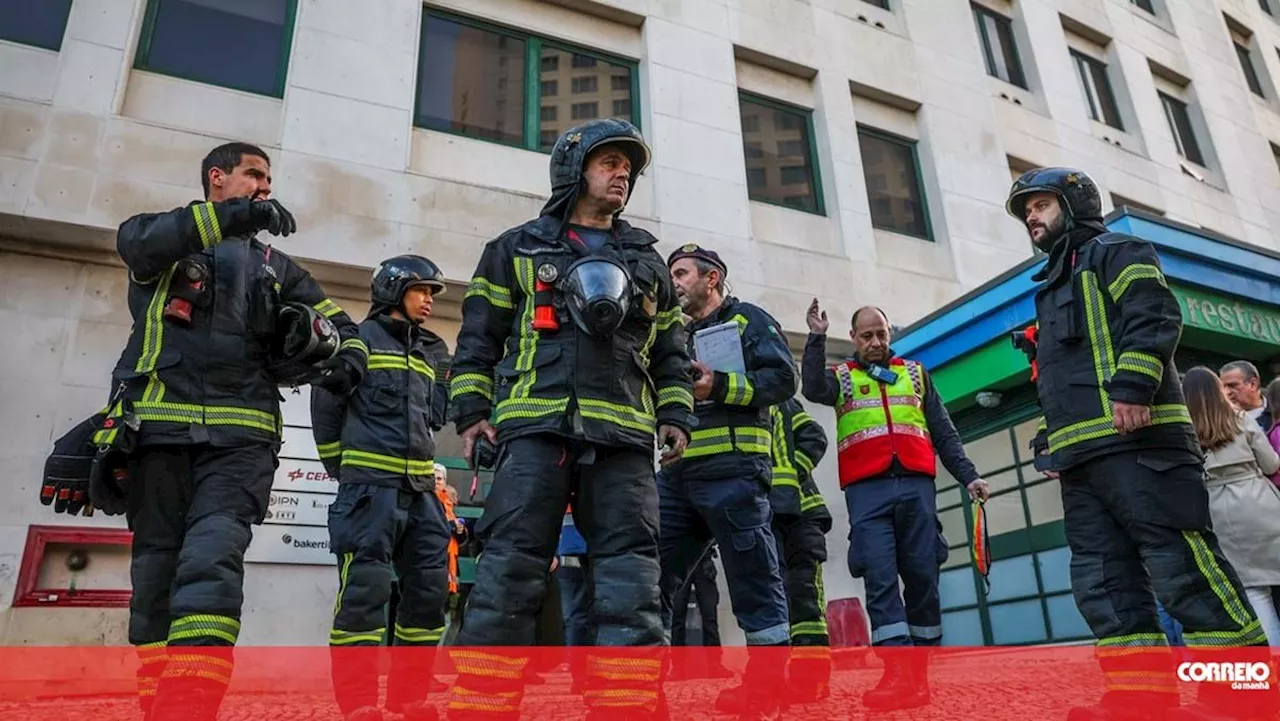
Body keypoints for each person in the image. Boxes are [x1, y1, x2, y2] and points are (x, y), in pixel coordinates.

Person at [103, 142, 366, 720]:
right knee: (154, 574)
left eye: (270, 178)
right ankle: (158, 703)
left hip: (242, 442)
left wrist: (342, 358)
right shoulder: (162, 241)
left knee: (212, 561)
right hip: (157, 435)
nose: (265, 186)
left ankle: (190, 704)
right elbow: (138, 242)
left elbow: (344, 327)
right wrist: (231, 217)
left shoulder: (276, 267)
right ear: (217, 178)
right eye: (254, 175)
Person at [446, 118, 693, 719]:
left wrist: (676, 415)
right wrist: (473, 411)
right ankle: (483, 703)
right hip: (536, 428)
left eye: (628, 167)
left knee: (631, 572)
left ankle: (627, 704)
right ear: (573, 168)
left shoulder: (648, 263)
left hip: (624, 439)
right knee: (510, 565)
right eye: (609, 161)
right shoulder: (517, 248)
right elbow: (479, 335)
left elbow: (670, 352)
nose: (622, 174)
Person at [1006, 167, 1273, 721]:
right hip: (1083, 461)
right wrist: (1050, 444)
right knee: (1104, 586)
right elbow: (1057, 379)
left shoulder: (1118, 250)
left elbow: (1154, 316)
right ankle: (1139, 699)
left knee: (1186, 574)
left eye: (1040, 204)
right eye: (1025, 210)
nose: (1031, 216)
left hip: (1142, 445)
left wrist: (1132, 387)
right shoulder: (1052, 288)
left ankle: (1242, 697)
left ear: (1074, 203)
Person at [801, 303, 987, 711]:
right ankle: (898, 672)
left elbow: (944, 432)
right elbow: (813, 389)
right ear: (853, 338)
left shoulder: (916, 374)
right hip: (868, 494)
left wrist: (969, 476)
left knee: (923, 578)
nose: (875, 342)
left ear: (889, 333)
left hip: (917, 488)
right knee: (881, 580)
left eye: (881, 333)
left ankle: (917, 675)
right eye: (866, 336)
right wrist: (815, 337)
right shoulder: (842, 378)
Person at [311, 254, 453, 721]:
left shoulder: (431, 353)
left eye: (432, 293)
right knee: (363, 596)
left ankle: (409, 698)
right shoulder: (357, 342)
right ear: (393, 290)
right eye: (422, 291)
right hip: (369, 492)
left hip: (421, 494)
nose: (429, 300)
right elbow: (326, 414)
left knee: (430, 594)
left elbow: (431, 421)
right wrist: (348, 474)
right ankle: (358, 705)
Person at [661, 244, 796, 720]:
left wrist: (717, 385)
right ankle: (638, 688)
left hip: (734, 474)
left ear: (711, 277)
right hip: (676, 476)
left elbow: (782, 380)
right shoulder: (669, 332)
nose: (672, 281)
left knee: (753, 581)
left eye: (681, 272)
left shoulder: (748, 320)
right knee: (649, 577)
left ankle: (766, 691)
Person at [1182, 367, 1280, 646]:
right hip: (1259, 502)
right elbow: (1271, 463)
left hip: (1218, 510)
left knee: (1256, 594)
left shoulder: (1185, 430)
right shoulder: (1240, 419)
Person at [767, 398, 833, 701]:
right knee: (772, 596)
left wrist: (790, 474)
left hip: (803, 514)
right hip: (766, 518)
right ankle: (776, 680)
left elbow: (815, 437)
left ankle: (812, 681)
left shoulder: (782, 402)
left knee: (804, 595)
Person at [1220, 360, 1272, 432]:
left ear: (1253, 384)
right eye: (1223, 387)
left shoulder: (1276, 411)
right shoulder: (1220, 420)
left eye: (1232, 386)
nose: (1227, 392)